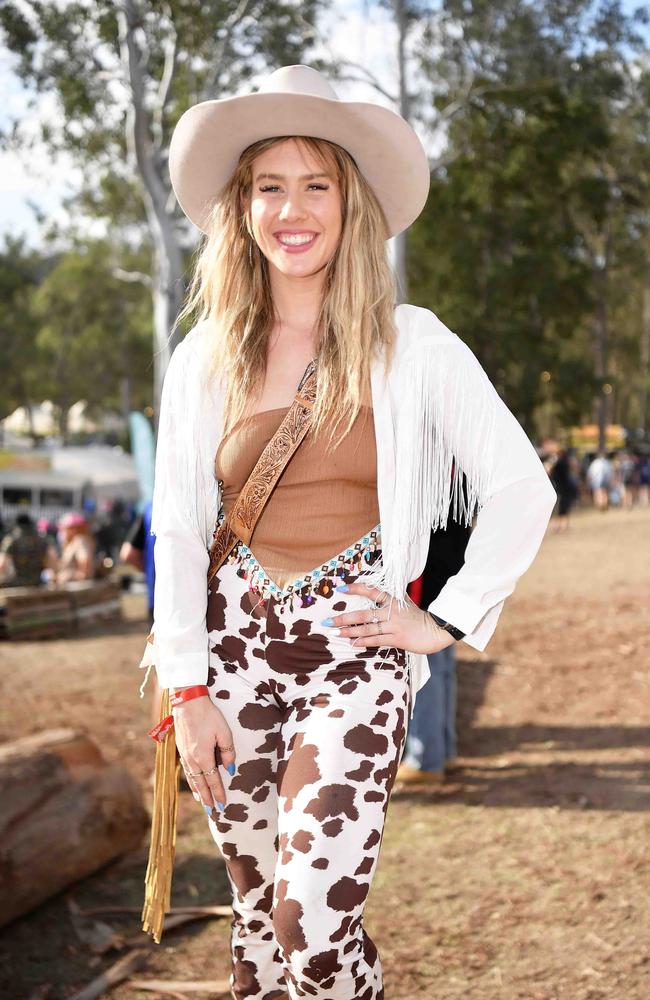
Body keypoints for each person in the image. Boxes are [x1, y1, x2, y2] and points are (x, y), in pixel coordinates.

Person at [141, 65, 557, 999]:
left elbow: (521, 488)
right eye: (269, 185)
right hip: (228, 661)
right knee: (256, 924)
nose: (293, 209)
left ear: (351, 202)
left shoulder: (416, 343)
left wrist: (439, 622)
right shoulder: (203, 358)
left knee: (312, 926)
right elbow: (174, 525)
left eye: (316, 183)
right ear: (242, 207)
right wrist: (188, 688)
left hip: (354, 658)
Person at [397, 516, 472, 786]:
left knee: (425, 674)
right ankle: (443, 748)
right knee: (441, 672)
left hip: (427, 586)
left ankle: (426, 757)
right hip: (450, 579)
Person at [0, 513, 54, 587]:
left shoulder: (11, 540)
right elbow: (51, 563)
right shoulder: (42, 539)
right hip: (37, 582)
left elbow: (2, 565)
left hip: (17, 582)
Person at [55, 511, 96, 583]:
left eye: (65, 528)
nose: (63, 531)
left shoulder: (80, 541)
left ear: (74, 529)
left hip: (76, 586)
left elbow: (85, 567)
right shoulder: (70, 543)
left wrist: (67, 576)